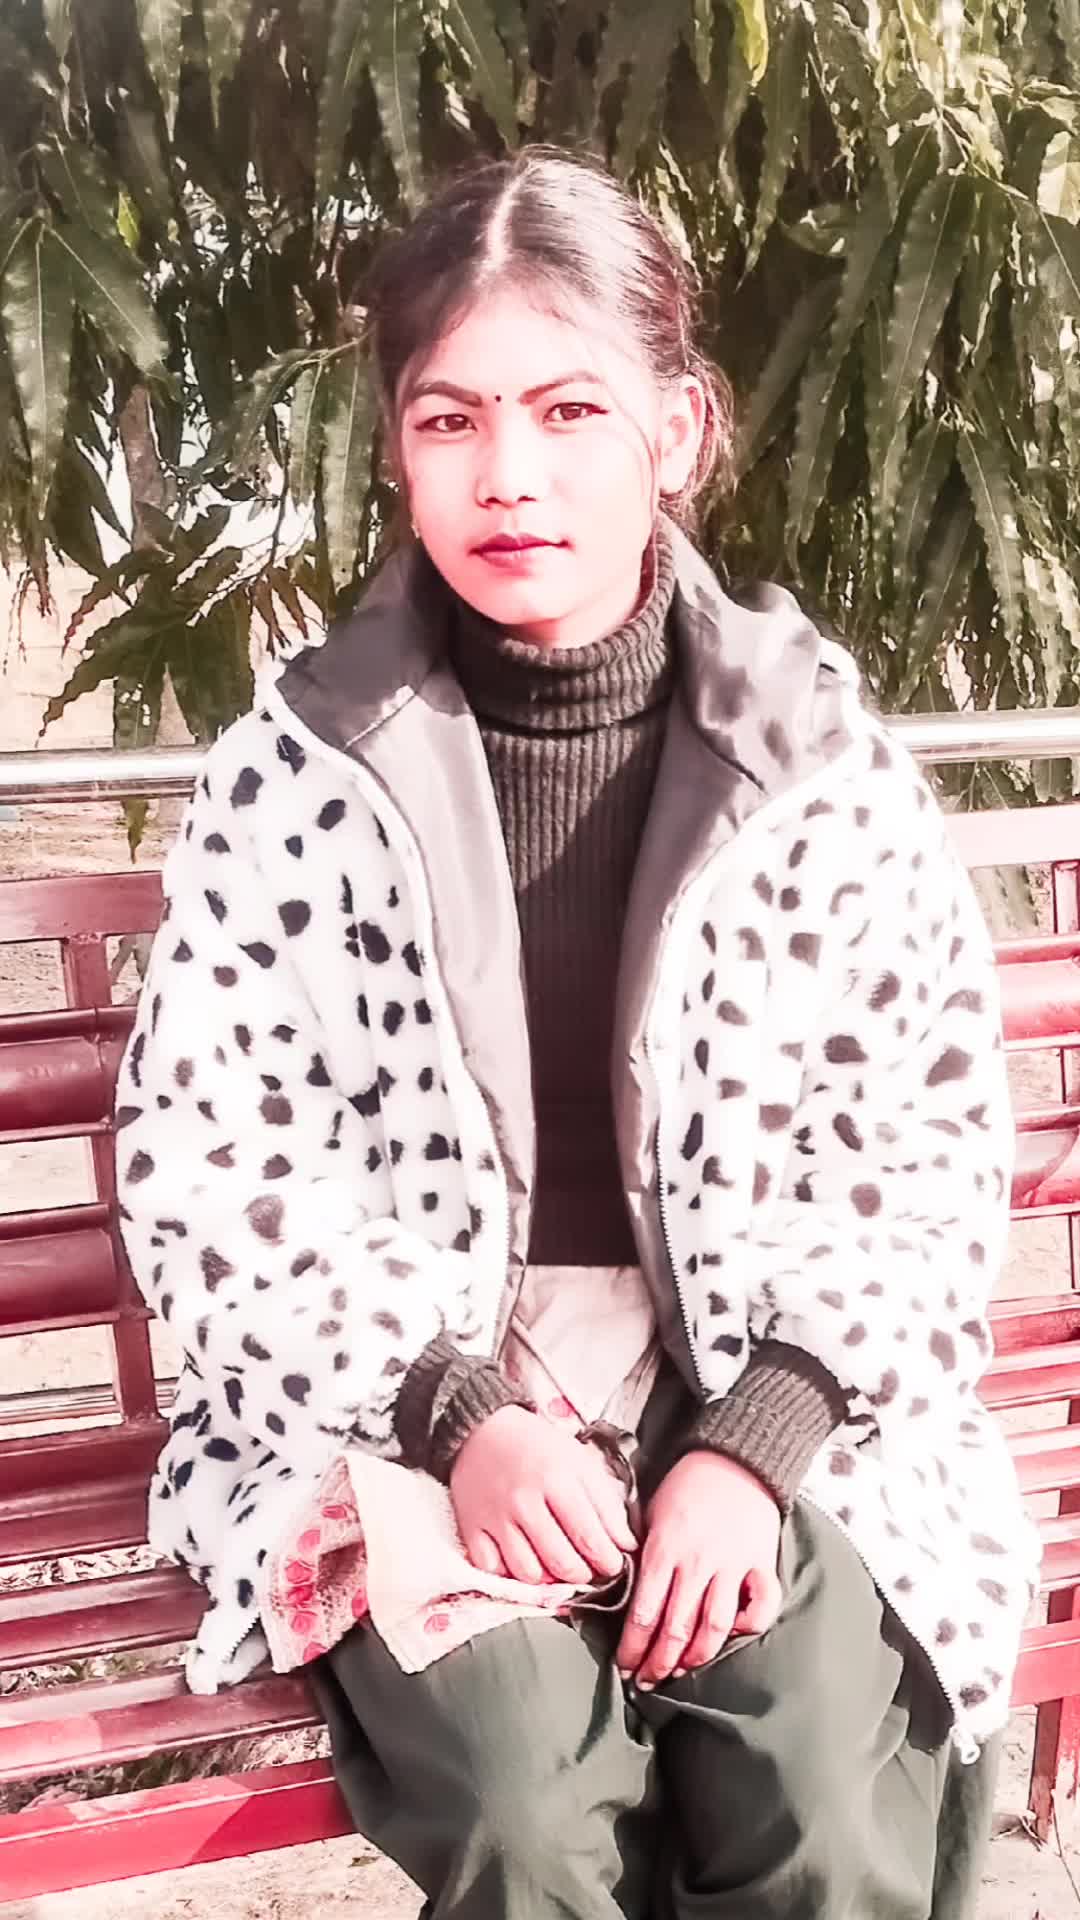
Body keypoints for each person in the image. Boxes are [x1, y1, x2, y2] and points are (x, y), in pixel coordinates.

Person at [116, 145, 1038, 1919]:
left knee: (816, 1776)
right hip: (399, 1394)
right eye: (450, 420)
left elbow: (924, 1158)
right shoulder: (297, 780)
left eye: (568, 410)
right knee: (525, 1803)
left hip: (754, 1369)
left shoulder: (819, 772)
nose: (509, 475)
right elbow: (211, 1170)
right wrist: (458, 1410)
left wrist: (757, 1439)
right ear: (397, 449)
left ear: (676, 432)